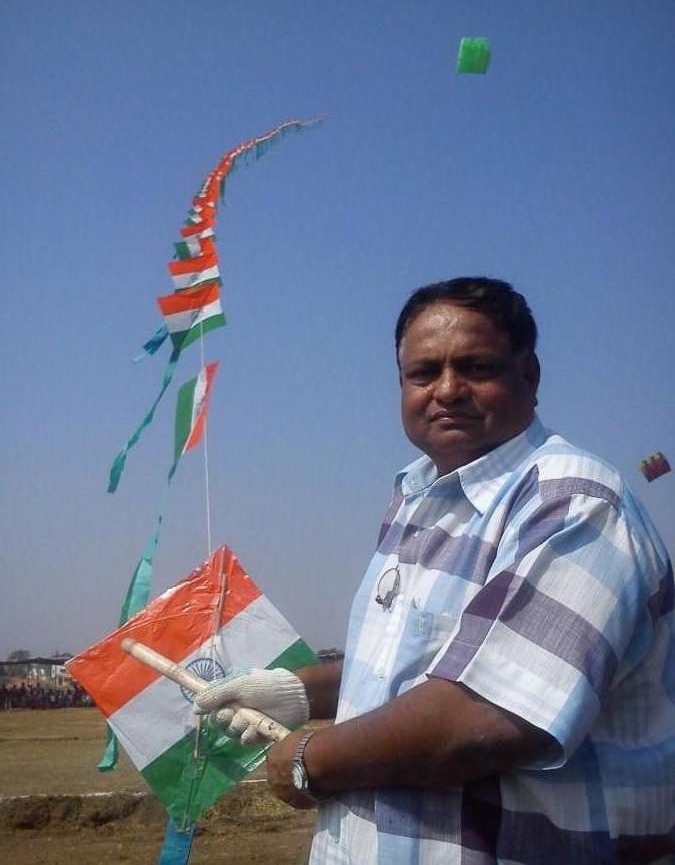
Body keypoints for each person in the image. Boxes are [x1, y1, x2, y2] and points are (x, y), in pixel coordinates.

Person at [195, 278, 675, 864]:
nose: (447, 390)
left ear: (530, 376)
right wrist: (295, 689)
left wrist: (308, 759)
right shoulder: (415, 498)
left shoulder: (573, 501)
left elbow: (491, 715)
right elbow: (410, 665)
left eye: (475, 367)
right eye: (423, 374)